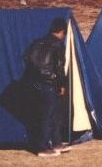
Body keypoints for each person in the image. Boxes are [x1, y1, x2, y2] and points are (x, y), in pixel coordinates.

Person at [24, 18, 72, 157]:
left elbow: (26, 58)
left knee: (48, 114)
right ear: (62, 31)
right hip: (50, 83)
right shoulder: (58, 44)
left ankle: (56, 143)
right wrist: (62, 84)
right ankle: (42, 147)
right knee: (49, 115)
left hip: (36, 84)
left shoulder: (37, 42)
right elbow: (59, 67)